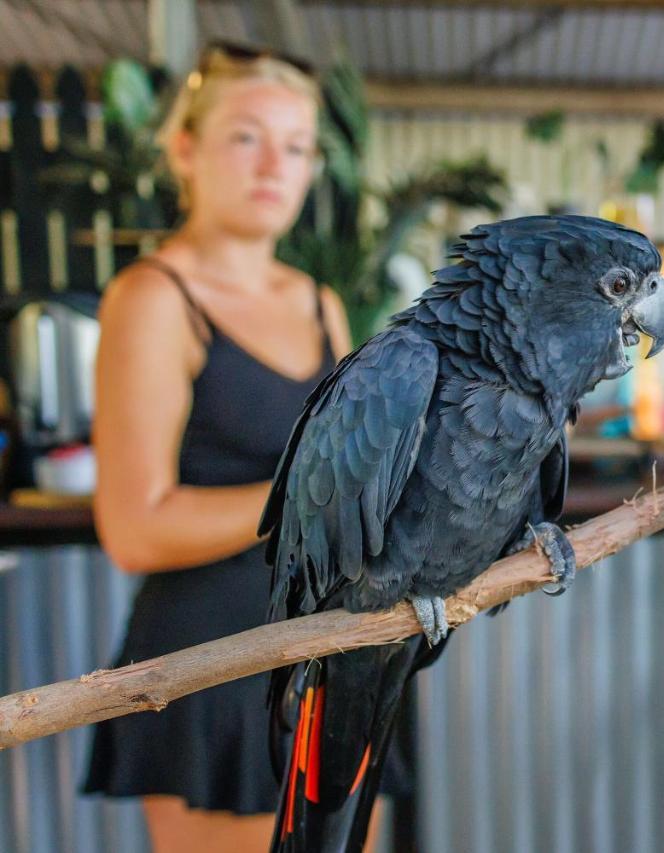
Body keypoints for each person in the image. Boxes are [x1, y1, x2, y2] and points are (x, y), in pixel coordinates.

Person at [81, 42, 399, 852]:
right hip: (214, 664)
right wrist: (313, 502)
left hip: (336, 656)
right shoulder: (155, 298)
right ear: (184, 149)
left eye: (296, 147)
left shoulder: (320, 301)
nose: (274, 166)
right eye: (245, 137)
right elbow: (135, 526)